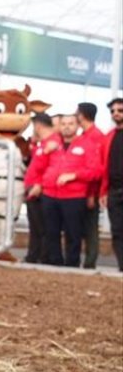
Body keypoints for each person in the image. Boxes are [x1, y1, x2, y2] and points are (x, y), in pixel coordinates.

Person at [28, 114, 101, 267]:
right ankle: (55, 263)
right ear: (59, 127)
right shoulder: (53, 145)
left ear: (78, 126)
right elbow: (38, 167)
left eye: (71, 123)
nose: (67, 127)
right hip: (50, 194)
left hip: (74, 196)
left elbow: (96, 171)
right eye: (64, 124)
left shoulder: (87, 145)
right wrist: (46, 151)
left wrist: (74, 175)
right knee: (51, 232)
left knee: (73, 233)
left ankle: (72, 265)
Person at [74, 103, 107, 269]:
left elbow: (97, 168)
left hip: (89, 192)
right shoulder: (83, 136)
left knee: (90, 229)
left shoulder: (95, 137)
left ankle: (89, 262)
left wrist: (92, 194)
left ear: (82, 115)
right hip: (79, 191)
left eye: (77, 112)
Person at [23, 113, 59, 264]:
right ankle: (33, 255)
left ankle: (43, 256)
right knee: (35, 226)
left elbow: (52, 166)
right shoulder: (42, 144)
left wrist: (39, 184)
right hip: (33, 188)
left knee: (42, 227)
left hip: (40, 190)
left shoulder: (53, 143)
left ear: (38, 125)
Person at [103, 98, 123, 272]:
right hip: (114, 191)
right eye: (113, 111)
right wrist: (103, 192)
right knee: (117, 229)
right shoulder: (110, 136)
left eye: (120, 110)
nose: (116, 113)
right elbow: (105, 165)